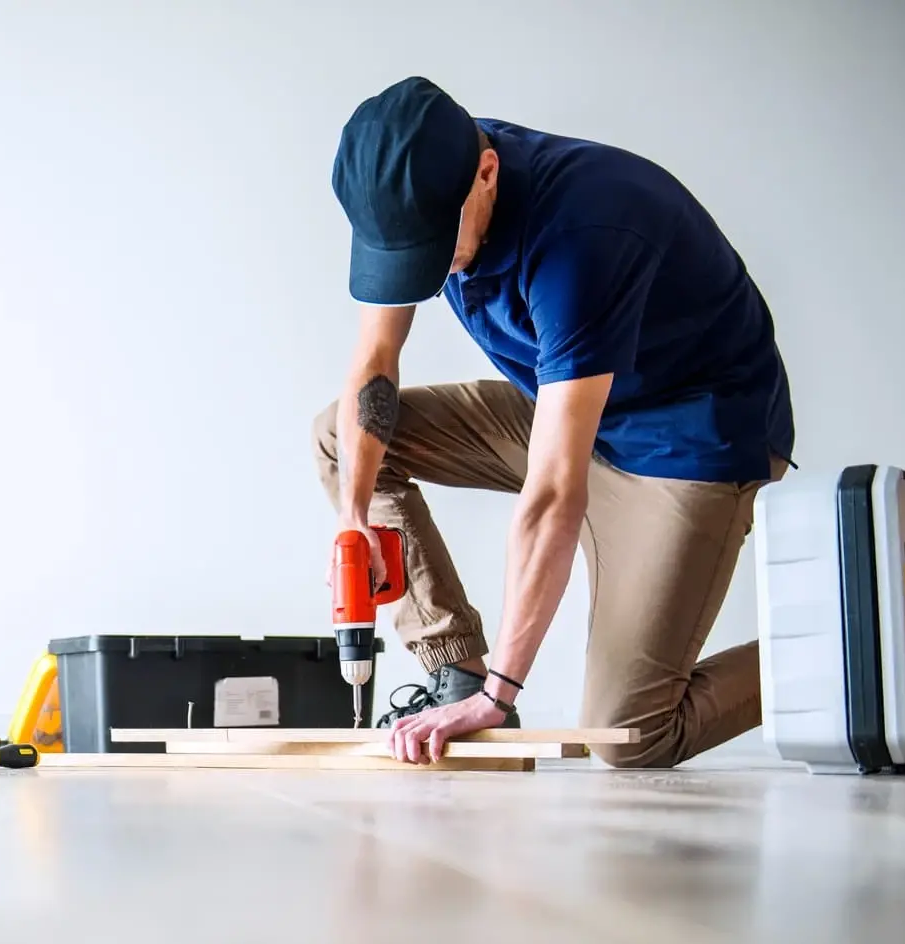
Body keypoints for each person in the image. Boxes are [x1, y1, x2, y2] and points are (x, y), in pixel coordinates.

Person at [314, 76, 795, 768]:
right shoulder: (421, 178)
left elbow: (551, 496)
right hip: (569, 404)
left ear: (487, 175)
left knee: (630, 734)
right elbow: (375, 361)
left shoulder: (583, 236)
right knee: (343, 437)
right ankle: (458, 671)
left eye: (431, 252)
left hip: (687, 442)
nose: (426, 273)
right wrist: (355, 515)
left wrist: (502, 698)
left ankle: (850, 638)